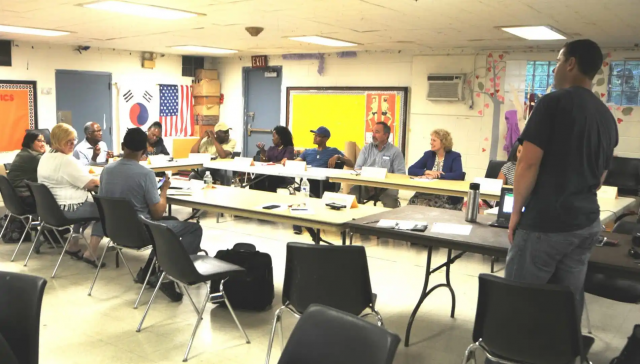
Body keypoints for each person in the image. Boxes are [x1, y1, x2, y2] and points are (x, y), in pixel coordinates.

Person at [506, 39, 618, 318]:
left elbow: (527, 163)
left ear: (570, 64)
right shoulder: (606, 117)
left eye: (557, 61)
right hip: (585, 224)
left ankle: (509, 356)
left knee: (519, 303)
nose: (555, 68)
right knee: (564, 306)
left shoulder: (552, 103)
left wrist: (516, 211)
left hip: (546, 223)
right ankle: (562, 352)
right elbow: (601, 177)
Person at [99, 128, 204, 301]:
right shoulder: (145, 174)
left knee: (173, 221)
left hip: (114, 229)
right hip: (141, 231)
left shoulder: (107, 171)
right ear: (145, 151)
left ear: (123, 146)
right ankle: (170, 276)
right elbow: (157, 213)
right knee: (193, 229)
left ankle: (149, 270)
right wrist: (163, 191)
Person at [37, 123, 105, 267]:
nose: (72, 143)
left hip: (52, 209)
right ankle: (91, 253)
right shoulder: (66, 160)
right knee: (105, 211)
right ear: (57, 140)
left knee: (85, 204)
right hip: (67, 209)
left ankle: (73, 245)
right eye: (68, 141)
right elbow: (91, 183)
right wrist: (107, 179)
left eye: (73, 140)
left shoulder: (46, 156)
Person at [292, 126, 354, 235]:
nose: (315, 138)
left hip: (325, 183)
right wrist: (287, 162)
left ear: (325, 139)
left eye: (318, 136)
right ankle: (300, 222)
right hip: (309, 181)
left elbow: (351, 164)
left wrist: (338, 157)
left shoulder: (333, 151)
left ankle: (308, 219)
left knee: (307, 192)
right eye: (314, 135)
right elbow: (296, 162)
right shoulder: (308, 152)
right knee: (305, 189)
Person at [350, 122, 405, 208]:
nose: (373, 135)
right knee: (353, 192)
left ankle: (390, 220)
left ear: (386, 135)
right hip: (366, 185)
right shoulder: (366, 149)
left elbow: (401, 174)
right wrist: (368, 181)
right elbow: (357, 169)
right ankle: (355, 218)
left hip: (387, 187)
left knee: (391, 202)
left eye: (377, 132)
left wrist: (384, 181)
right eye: (373, 132)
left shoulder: (395, 152)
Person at [407, 129, 465, 210]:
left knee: (424, 206)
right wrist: (427, 172)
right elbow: (411, 169)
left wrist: (438, 175)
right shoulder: (428, 154)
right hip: (427, 192)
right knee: (412, 204)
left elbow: (458, 174)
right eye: (431, 140)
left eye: (434, 140)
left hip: (446, 194)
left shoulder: (455, 156)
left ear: (443, 143)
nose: (431, 142)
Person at [7, 131, 46, 210]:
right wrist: (48, 152)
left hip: (15, 199)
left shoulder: (24, 153)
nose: (43, 144)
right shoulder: (34, 157)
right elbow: (53, 168)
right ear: (30, 142)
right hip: (25, 198)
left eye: (44, 141)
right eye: (39, 141)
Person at [251, 126, 295, 193]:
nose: (272, 139)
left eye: (274, 136)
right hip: (269, 174)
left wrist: (270, 164)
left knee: (270, 181)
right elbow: (264, 162)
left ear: (280, 137)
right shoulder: (271, 148)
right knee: (255, 180)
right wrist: (262, 150)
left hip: (282, 176)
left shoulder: (289, 149)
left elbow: (284, 162)